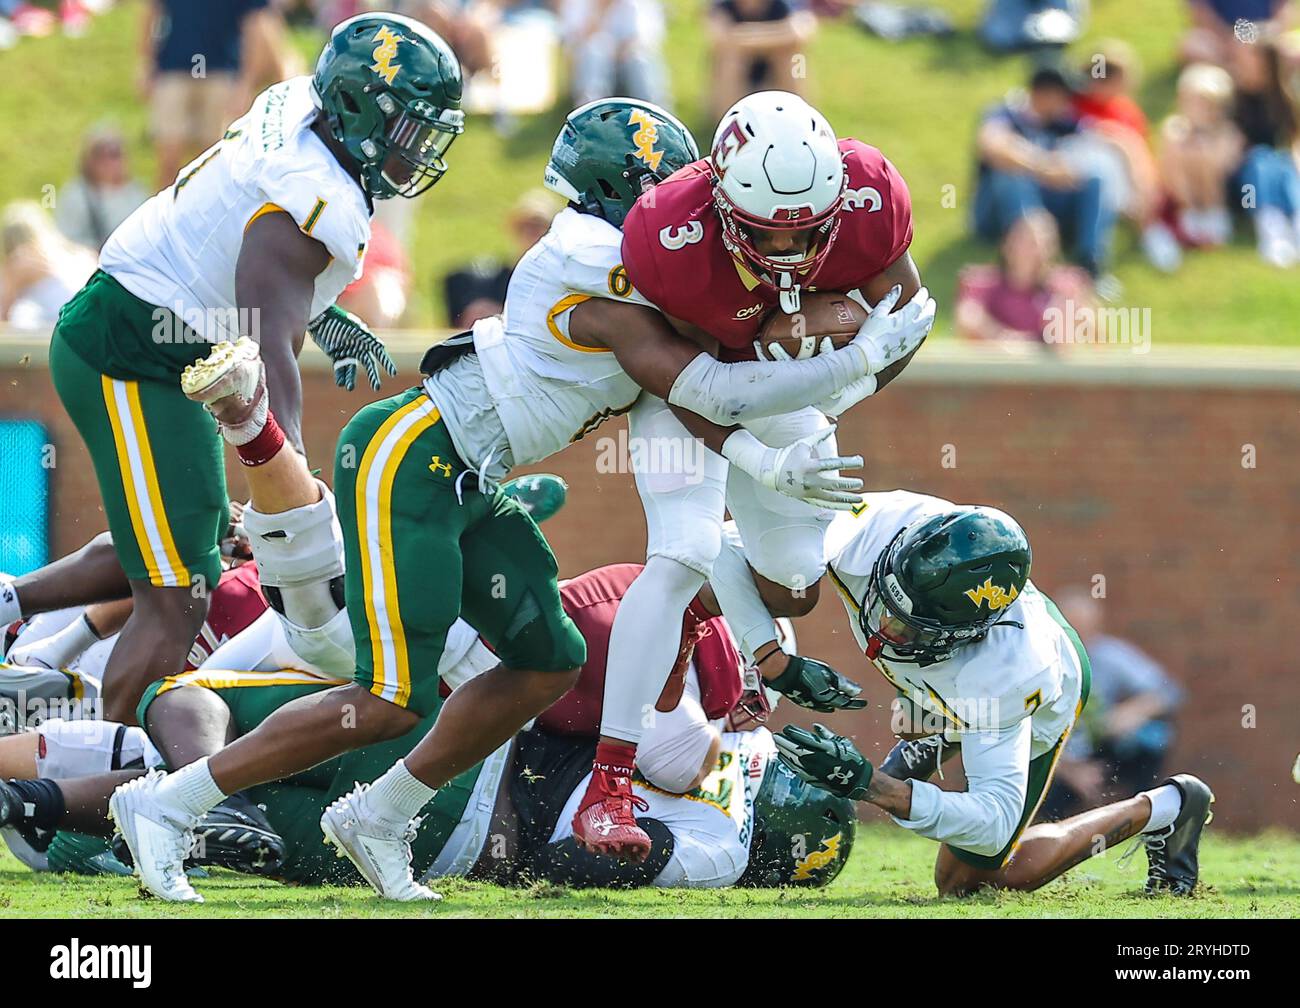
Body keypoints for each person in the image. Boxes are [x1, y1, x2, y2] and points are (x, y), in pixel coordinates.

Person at [103, 96, 932, 903]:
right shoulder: (600, 263)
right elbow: (708, 381)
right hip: (413, 456)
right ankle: (167, 802)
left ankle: (381, 817)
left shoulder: (659, 264)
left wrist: (768, 448)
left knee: (550, 659)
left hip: (469, 478)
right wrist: (855, 357)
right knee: (389, 698)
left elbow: (693, 405)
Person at [12, 14, 463, 738]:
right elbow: (264, 340)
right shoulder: (314, 197)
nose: (420, 151)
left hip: (160, 337)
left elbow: (252, 263)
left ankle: (18, 618)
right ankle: (95, 779)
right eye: (410, 129)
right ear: (358, 114)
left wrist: (322, 312)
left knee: (201, 540)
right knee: (176, 598)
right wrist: (291, 487)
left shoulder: (305, 112)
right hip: (127, 351)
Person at [594, 90, 931, 860]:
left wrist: (840, 390)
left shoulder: (873, 197)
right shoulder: (668, 234)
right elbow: (687, 385)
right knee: (679, 553)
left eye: (807, 234)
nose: (786, 255)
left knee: (794, 583)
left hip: (794, 390)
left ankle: (758, 644)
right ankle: (609, 780)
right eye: (764, 235)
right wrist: (759, 457)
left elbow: (905, 320)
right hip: (687, 397)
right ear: (717, 197)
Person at [757, 489, 1213, 897]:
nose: (881, 631)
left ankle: (1166, 807)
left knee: (968, 880)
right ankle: (939, 723)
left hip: (1039, 694)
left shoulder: (1011, 673)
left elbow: (992, 826)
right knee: (908, 731)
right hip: (955, 678)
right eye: (888, 600)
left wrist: (870, 786)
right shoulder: (879, 523)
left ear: (967, 631)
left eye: (910, 625)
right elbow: (732, 543)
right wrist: (766, 657)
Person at [974, 66, 1117, 279]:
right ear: (1044, 93)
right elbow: (991, 145)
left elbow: (1102, 140)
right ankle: (1034, 258)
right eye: (1065, 96)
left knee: (1093, 179)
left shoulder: (1063, 123)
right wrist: (1044, 166)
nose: (1069, 103)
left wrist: (1068, 169)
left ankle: (1090, 261)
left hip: (1047, 206)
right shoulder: (1005, 114)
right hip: (995, 215)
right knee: (1011, 176)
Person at [1054, 587, 1184, 798]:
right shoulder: (1043, 663)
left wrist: (1129, 713)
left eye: (1086, 629)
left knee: (1151, 739)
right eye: (1072, 628)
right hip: (1059, 757)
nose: (1080, 638)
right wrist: (1070, 771)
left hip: (1102, 748)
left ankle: (1146, 814)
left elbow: (1167, 692)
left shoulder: (1111, 655)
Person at [955, 210, 1092, 346]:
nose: (1028, 251)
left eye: (1035, 244)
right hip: (995, 363)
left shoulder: (1063, 287)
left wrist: (1069, 320)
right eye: (1021, 240)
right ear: (1006, 244)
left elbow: (1092, 326)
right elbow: (967, 316)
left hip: (1047, 365)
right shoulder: (984, 283)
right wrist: (1003, 338)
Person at [1155, 62, 1244, 256]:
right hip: (1183, 193)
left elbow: (1226, 165)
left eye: (1206, 104)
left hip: (1219, 191)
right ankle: (1189, 214)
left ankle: (1213, 215)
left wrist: (1203, 149)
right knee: (1185, 151)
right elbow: (1167, 166)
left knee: (1202, 154)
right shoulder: (1175, 129)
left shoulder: (1227, 131)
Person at [441, 188, 560, 329]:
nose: (531, 233)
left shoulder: (559, 278)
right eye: (525, 226)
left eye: (539, 226)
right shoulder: (496, 280)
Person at [1228, 35, 1300, 265]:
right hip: (1245, 188)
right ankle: (1267, 225)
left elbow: (1293, 140)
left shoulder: (1283, 99)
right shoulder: (1232, 98)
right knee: (1260, 159)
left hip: (1277, 170)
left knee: (1283, 163)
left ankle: (1296, 217)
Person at [707, 0, 816, 119]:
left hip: (773, 75)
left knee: (795, 59)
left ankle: (796, 117)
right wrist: (777, 37)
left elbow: (800, 35)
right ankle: (729, 121)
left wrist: (745, 36)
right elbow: (720, 39)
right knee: (731, 59)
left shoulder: (785, 4)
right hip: (736, 74)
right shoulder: (724, 5)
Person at [0, 202, 95, 330]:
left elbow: (2, 315)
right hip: (89, 318)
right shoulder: (80, 254)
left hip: (60, 324)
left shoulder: (22, 259)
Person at [54, 127, 148, 252]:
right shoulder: (76, 195)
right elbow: (65, 239)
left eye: (114, 154)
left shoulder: (137, 193)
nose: (109, 162)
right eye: (100, 154)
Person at [562, 0, 669, 106]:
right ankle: (590, 111)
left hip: (627, 62)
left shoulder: (638, 4)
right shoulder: (577, 4)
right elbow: (576, 41)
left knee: (640, 59)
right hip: (594, 67)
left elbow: (643, 39)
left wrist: (619, 52)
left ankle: (655, 112)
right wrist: (600, 10)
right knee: (595, 51)